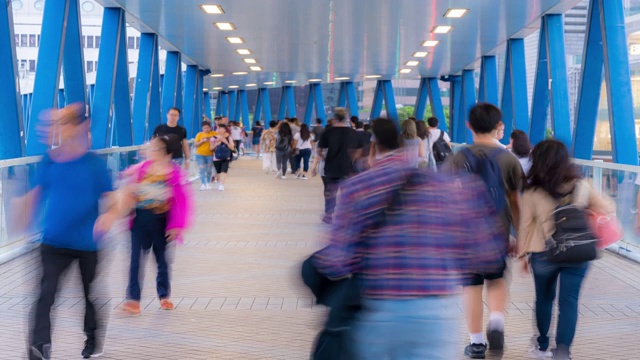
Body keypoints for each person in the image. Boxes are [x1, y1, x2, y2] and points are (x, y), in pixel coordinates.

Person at [312, 117, 506, 360]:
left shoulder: (358, 187)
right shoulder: (447, 187)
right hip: (434, 313)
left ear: (374, 147)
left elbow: (336, 259)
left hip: (377, 309)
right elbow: (486, 252)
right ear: (413, 144)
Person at [20, 103, 121, 359]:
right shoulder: (49, 160)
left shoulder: (94, 165)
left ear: (81, 127)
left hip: (87, 243)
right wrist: (22, 210)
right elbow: (35, 195)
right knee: (45, 296)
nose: (57, 128)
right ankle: (38, 349)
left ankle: (93, 337)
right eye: (56, 124)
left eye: (64, 123)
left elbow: (111, 200)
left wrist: (109, 216)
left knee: (89, 295)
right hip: (53, 242)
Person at [518, 140, 615, 360]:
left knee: (543, 299)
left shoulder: (533, 190)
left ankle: (542, 346)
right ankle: (562, 352)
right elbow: (608, 207)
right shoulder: (582, 184)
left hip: (543, 252)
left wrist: (523, 255)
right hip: (577, 251)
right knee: (569, 301)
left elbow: (524, 225)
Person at [445, 103, 524, 359]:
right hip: (497, 233)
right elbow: (515, 202)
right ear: (498, 126)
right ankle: (497, 322)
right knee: (497, 280)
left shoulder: (458, 158)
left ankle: (476, 343)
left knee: (471, 288)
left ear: (469, 125)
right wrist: (520, 236)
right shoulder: (509, 159)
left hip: (465, 236)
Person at [120, 136, 193, 316]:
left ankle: (164, 295)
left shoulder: (174, 173)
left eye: (157, 149)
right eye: (151, 148)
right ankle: (133, 300)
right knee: (135, 261)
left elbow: (182, 202)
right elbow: (127, 185)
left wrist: (177, 226)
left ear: (167, 154)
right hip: (140, 220)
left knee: (162, 261)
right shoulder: (142, 168)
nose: (152, 152)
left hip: (162, 222)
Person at [317, 108, 358, 224]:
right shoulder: (352, 132)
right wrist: (352, 159)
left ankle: (328, 215)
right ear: (345, 119)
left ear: (334, 118)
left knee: (330, 192)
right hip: (347, 167)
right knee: (347, 193)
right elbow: (357, 151)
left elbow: (320, 149)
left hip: (331, 167)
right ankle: (346, 215)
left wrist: (324, 158)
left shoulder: (328, 132)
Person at [210, 124, 235, 191]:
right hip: (216, 157)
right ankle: (219, 183)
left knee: (224, 171)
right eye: (218, 128)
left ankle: (222, 185)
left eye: (221, 128)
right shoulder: (213, 138)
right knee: (218, 172)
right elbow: (211, 148)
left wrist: (226, 142)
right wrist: (216, 144)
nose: (220, 130)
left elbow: (232, 148)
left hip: (226, 157)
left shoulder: (229, 137)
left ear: (225, 130)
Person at [194, 121, 217, 190]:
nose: (206, 129)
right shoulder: (199, 134)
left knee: (209, 169)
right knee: (201, 169)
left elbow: (220, 138)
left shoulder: (214, 134)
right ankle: (202, 184)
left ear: (210, 128)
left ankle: (208, 182)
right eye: (204, 128)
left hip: (210, 154)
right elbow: (195, 144)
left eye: (207, 128)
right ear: (202, 128)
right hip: (200, 154)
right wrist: (202, 141)